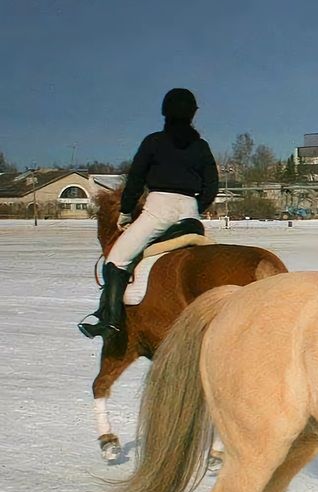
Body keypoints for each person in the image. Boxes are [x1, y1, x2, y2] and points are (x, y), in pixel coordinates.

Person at [78, 88, 219, 339]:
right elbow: (212, 186)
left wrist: (126, 212)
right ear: (193, 115)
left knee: (117, 259)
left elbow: (134, 181)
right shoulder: (201, 147)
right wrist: (197, 208)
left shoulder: (153, 142)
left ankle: (110, 321)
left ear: (165, 112)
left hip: (158, 209)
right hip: (190, 215)